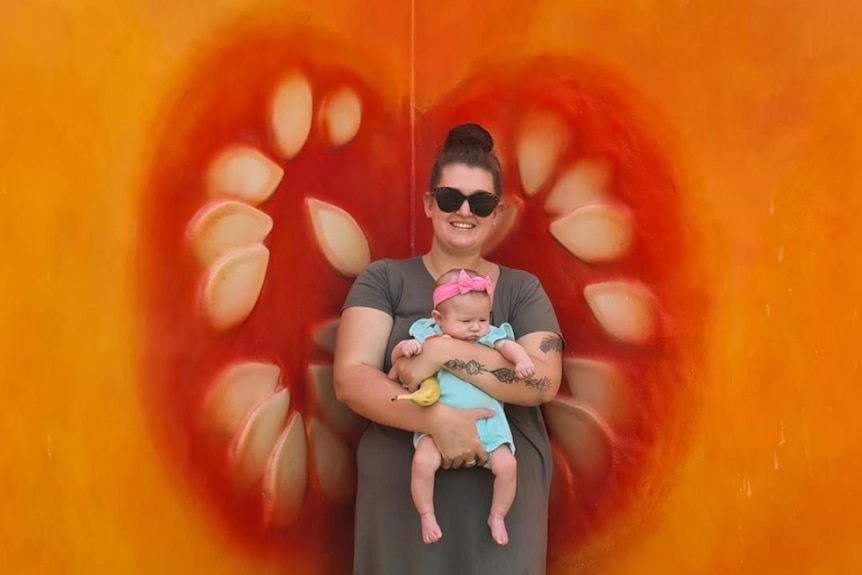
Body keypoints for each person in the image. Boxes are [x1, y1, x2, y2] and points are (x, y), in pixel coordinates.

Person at [334, 123, 564, 575]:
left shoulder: (522, 290)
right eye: (449, 198)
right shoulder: (384, 280)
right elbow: (351, 378)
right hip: (403, 505)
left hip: (501, 517)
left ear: (496, 213)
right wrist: (435, 422)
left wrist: (439, 355)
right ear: (429, 204)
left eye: (480, 203)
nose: (464, 211)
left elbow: (542, 381)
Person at [391, 268, 535, 546]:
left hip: (488, 422)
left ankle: (497, 515)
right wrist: (405, 348)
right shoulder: (425, 334)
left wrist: (522, 360)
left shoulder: (488, 336)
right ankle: (427, 514)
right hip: (437, 422)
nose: (476, 327)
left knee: (508, 466)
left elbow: (507, 347)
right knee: (422, 462)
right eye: (466, 320)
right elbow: (398, 357)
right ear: (438, 318)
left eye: (483, 318)